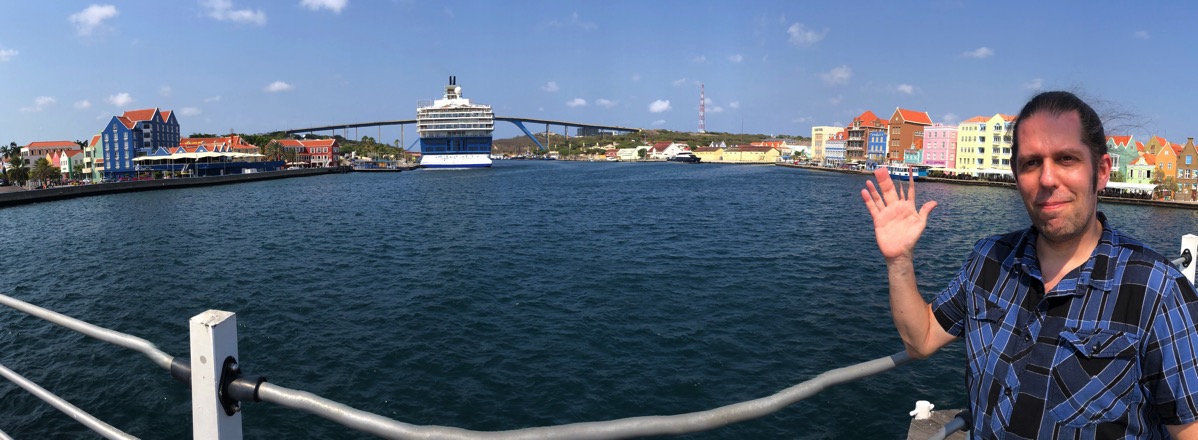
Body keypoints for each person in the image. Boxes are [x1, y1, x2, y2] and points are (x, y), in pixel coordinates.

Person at [861, 91, 1198, 439]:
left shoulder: (1157, 290)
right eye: (1032, 163)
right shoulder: (989, 259)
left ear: (1100, 172)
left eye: (1066, 159)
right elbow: (922, 339)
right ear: (1016, 175)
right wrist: (899, 260)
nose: (1047, 179)